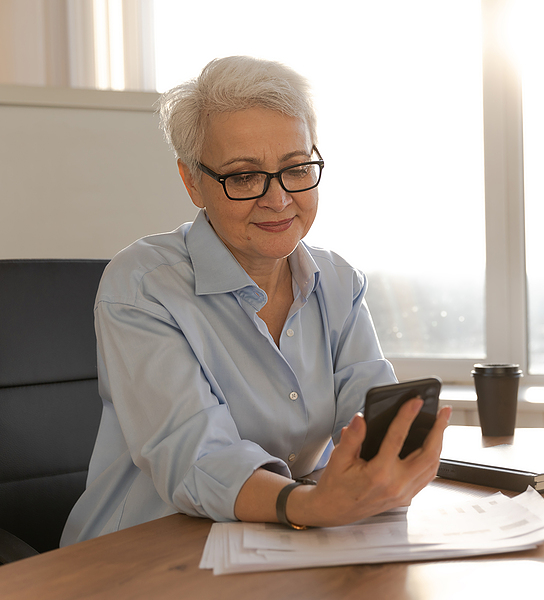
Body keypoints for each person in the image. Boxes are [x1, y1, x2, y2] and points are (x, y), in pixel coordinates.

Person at [61, 56, 451, 545]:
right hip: (142, 553)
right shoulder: (143, 285)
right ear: (192, 181)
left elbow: (365, 422)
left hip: (282, 541)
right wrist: (306, 505)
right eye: (244, 177)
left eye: (296, 168)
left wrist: (393, 460)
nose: (278, 198)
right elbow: (195, 455)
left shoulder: (338, 281)